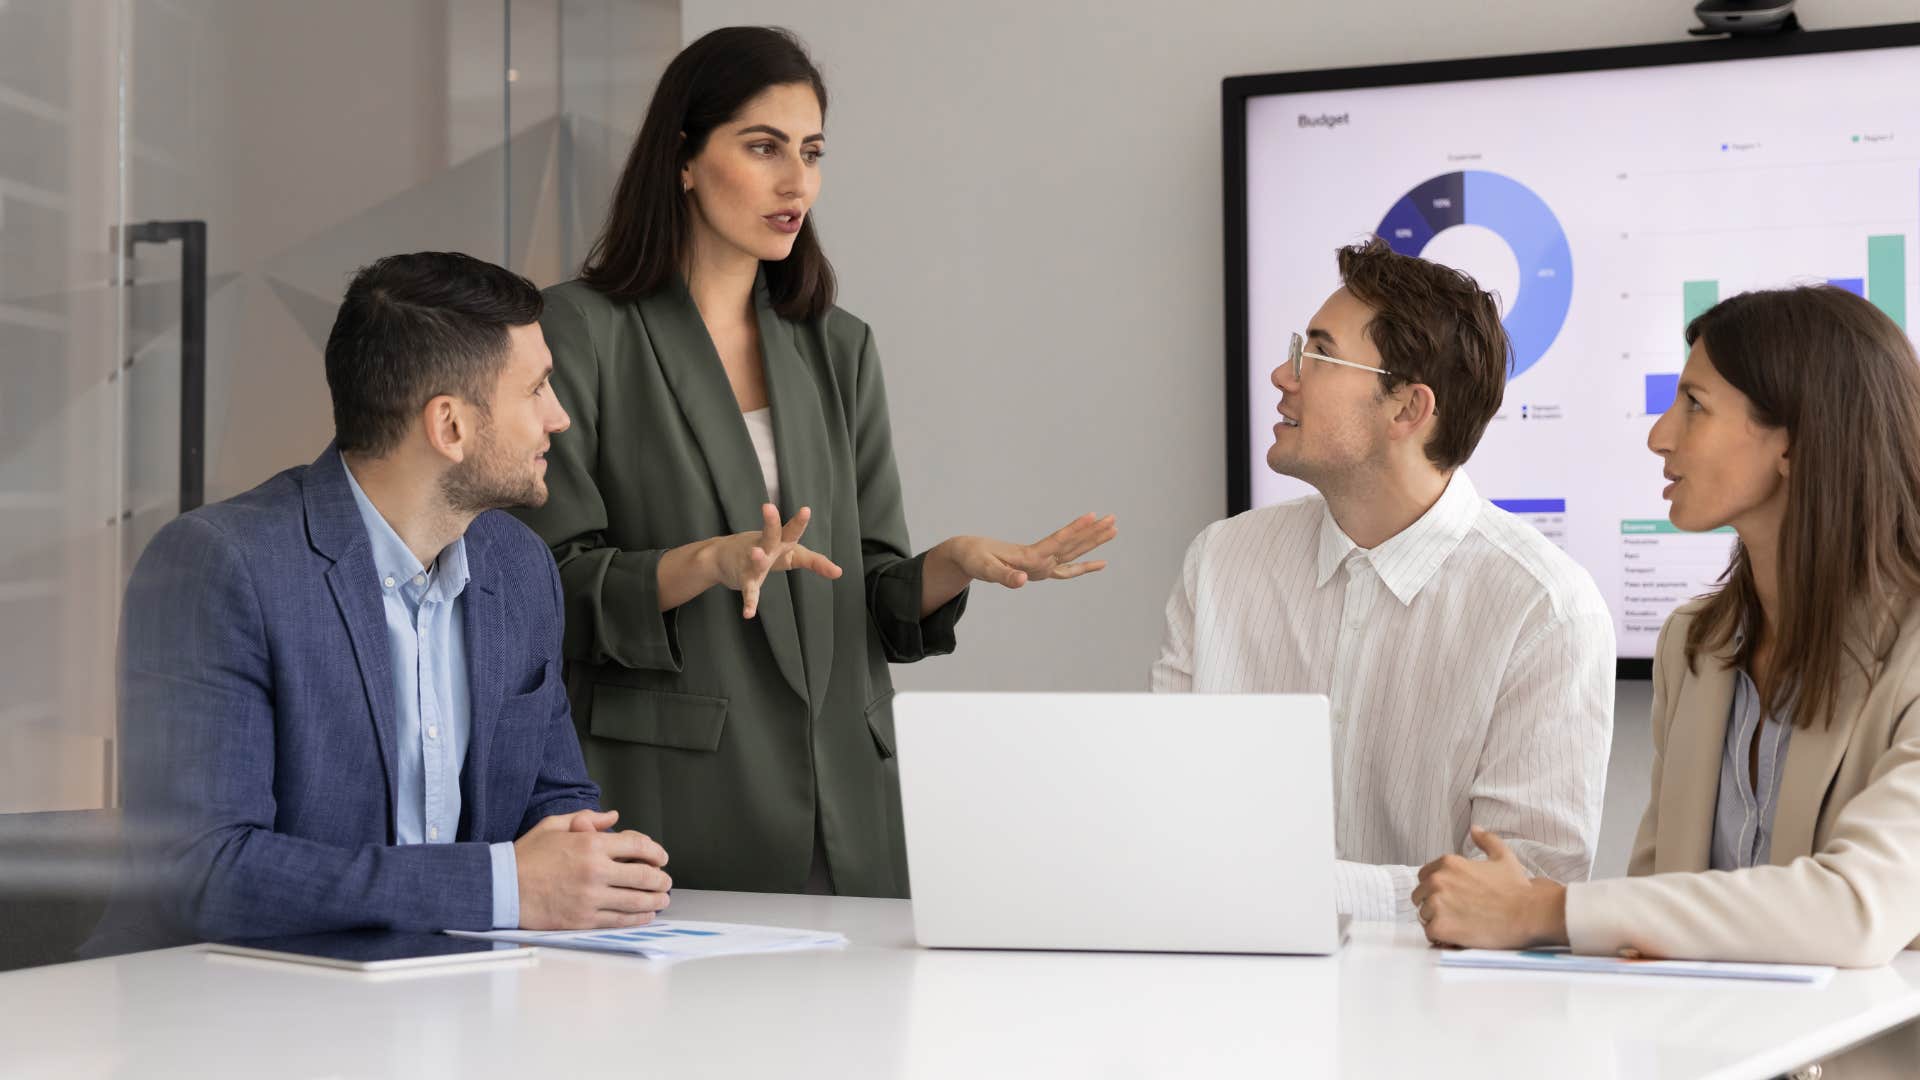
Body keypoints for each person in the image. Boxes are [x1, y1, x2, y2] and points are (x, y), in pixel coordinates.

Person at [514, 26, 1115, 899]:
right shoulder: (578, 332)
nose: (797, 182)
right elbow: (545, 588)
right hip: (677, 799)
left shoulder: (840, 347)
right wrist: (707, 562)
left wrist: (948, 567)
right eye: (763, 148)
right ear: (683, 157)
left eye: (812, 152)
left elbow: (866, 587)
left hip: (852, 804)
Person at [83, 252, 670, 955]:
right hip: (228, 1012)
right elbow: (201, 872)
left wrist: (596, 867)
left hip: (452, 1001)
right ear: (448, 426)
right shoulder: (219, 565)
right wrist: (502, 887)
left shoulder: (519, 566)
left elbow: (554, 799)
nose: (560, 417)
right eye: (537, 389)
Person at [1414, 284, 1920, 970]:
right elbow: (1653, 917)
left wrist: (1545, 910)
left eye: (1695, 406)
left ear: (1796, 442)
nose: (1659, 435)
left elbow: (1859, 910)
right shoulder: (1694, 646)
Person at [1151, 237, 1615, 922]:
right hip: (1224, 989)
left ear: (1406, 410)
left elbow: (1521, 890)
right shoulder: (1223, 561)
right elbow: (1164, 817)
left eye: (1316, 353)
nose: (1284, 375)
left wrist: (1279, 887)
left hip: (1441, 1011)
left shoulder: (1545, 610)